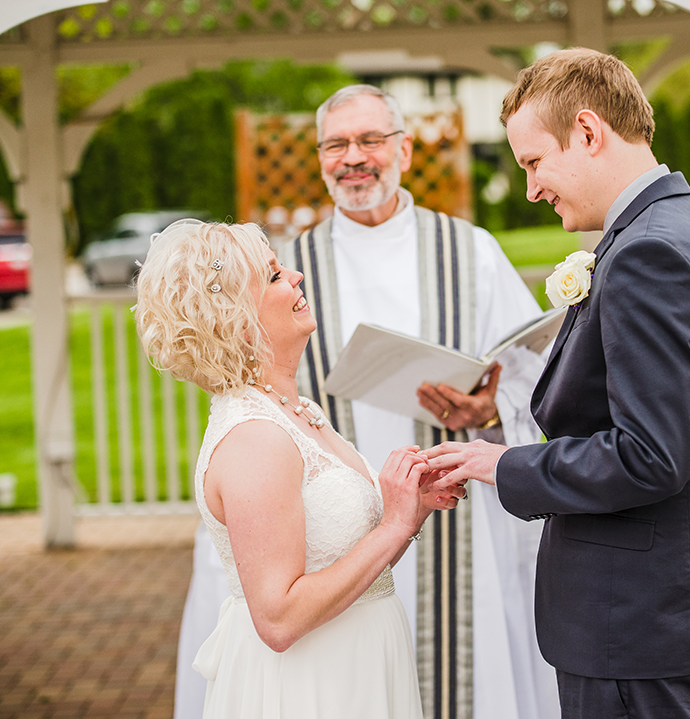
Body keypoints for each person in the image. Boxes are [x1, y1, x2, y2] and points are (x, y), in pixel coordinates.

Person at [174, 85, 558, 719]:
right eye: (336, 144)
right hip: (317, 523)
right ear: (321, 159)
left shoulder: (471, 252)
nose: (354, 158)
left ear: (404, 149)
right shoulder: (284, 272)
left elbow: (532, 375)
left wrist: (485, 409)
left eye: (370, 141)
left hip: (450, 515)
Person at [424, 48, 690, 719]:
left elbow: (652, 455)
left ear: (587, 131)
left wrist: (506, 464)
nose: (531, 189)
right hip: (657, 615)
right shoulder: (669, 232)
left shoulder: (649, 254)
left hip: (639, 624)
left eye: (532, 162)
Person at [136, 219, 462, 718]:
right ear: (237, 320)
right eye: (272, 277)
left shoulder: (297, 411)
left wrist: (408, 511)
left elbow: (348, 569)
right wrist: (394, 526)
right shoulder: (254, 439)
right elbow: (280, 620)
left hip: (360, 662)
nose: (296, 277)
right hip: (312, 686)